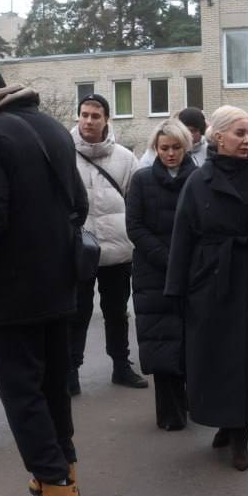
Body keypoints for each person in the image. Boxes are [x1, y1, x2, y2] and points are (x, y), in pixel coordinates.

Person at [0, 63, 88, 496]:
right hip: (59, 282)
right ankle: (63, 473)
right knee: (54, 386)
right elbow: (79, 204)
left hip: (11, 289)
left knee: (21, 392)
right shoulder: (53, 128)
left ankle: (56, 493)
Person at [165, 105, 248, 471]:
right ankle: (224, 420)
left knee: (246, 357)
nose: (247, 140)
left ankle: (241, 433)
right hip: (208, 279)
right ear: (218, 137)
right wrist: (176, 288)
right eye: (240, 133)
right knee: (212, 356)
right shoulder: (198, 181)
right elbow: (182, 236)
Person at [70, 92, 146, 393]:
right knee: (77, 313)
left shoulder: (126, 158)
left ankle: (121, 366)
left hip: (117, 250)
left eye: (95, 116)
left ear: (106, 120)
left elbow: (138, 201)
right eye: (84, 115)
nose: (88, 121)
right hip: (78, 250)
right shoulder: (64, 153)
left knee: (117, 312)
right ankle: (70, 371)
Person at [125, 119, 197, 430]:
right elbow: (134, 227)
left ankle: (196, 404)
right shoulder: (142, 180)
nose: (170, 153)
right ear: (156, 148)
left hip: (193, 271)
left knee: (192, 343)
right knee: (161, 343)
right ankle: (170, 415)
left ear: (185, 147)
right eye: (164, 147)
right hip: (153, 274)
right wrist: (168, 259)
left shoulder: (199, 179)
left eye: (176, 147)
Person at [137, 107, 208, 168]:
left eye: (194, 131)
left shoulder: (207, 150)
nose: (190, 135)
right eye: (164, 149)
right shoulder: (152, 153)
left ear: (202, 131)